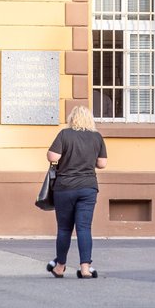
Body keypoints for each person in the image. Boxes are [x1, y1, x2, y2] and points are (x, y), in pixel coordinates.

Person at [46, 105, 107, 279]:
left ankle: (60, 267)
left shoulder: (65, 134)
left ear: (72, 119)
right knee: (84, 228)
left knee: (64, 228)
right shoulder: (97, 137)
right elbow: (102, 163)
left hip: (65, 187)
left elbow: (53, 157)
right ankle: (86, 268)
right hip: (88, 187)